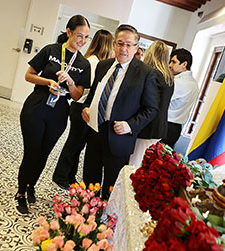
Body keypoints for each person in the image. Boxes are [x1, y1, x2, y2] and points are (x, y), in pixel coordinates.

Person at [14, 15, 91, 215]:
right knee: (32, 151)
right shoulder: (51, 50)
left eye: (86, 37)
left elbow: (77, 95)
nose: (82, 41)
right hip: (37, 105)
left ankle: (31, 185)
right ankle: (21, 193)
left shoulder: (84, 64)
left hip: (59, 111)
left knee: (44, 153)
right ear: (68, 32)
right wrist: (49, 82)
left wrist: (71, 82)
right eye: (79, 35)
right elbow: (28, 75)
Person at [81, 24, 160, 199]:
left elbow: (151, 109)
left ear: (136, 47)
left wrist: (130, 125)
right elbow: (94, 93)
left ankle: (104, 221)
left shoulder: (146, 73)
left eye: (129, 44)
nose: (123, 49)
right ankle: (84, 215)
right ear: (114, 44)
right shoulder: (103, 65)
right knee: (89, 180)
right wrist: (86, 107)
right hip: (95, 130)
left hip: (119, 137)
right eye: (120, 43)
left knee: (111, 186)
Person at [52, 29, 113, 189]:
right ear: (107, 46)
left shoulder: (93, 60)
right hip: (81, 107)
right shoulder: (94, 63)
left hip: (82, 107)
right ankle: (61, 176)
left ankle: (70, 176)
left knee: (77, 145)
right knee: (74, 145)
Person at [129, 40, 174, 167]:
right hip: (159, 127)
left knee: (133, 164)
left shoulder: (152, 74)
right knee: (143, 164)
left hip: (147, 126)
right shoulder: (169, 77)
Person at [162, 48, 199, 148]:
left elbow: (160, 100)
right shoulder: (195, 84)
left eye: (174, 62)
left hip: (165, 126)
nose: (170, 65)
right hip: (176, 129)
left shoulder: (178, 82)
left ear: (184, 64)